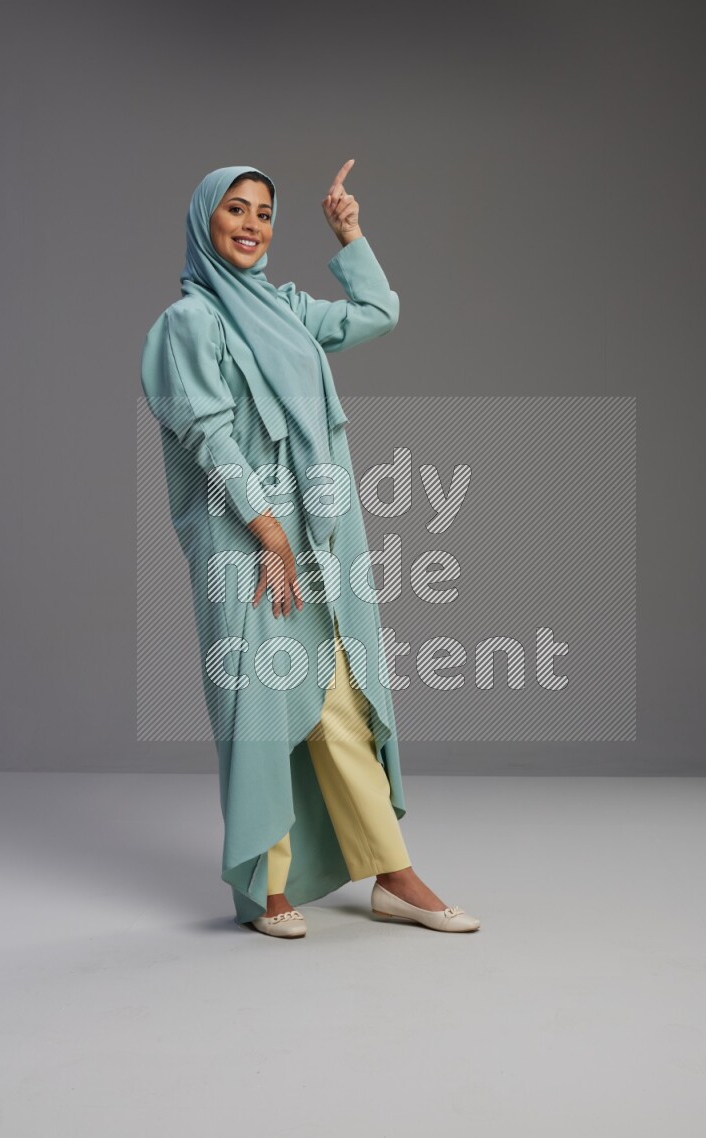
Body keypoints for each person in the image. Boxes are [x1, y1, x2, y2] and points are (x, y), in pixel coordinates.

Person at [140, 160, 480, 938]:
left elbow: (378, 313)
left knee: (340, 698)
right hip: (244, 535)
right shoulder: (187, 325)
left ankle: (392, 874)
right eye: (236, 209)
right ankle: (266, 885)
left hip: (319, 534)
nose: (252, 225)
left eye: (265, 213)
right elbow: (208, 435)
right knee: (258, 704)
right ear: (204, 220)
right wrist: (266, 531)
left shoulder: (286, 308)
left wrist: (348, 233)